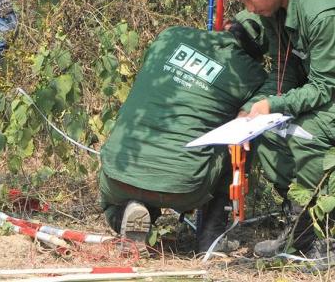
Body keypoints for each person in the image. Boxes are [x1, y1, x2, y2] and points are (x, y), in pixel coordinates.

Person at [99, 14, 270, 254]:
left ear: (227, 26)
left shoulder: (171, 36)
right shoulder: (255, 75)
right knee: (243, 134)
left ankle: (123, 213)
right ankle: (211, 237)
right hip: (186, 187)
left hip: (116, 175)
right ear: (259, 52)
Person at [220, 0, 335, 258]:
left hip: (330, 92)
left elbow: (325, 87)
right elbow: (283, 73)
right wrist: (254, 106)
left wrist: (274, 105)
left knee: (305, 133)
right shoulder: (274, 10)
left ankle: (324, 236)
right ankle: (300, 226)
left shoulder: (321, 12)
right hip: (325, 91)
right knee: (266, 134)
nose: (250, 9)